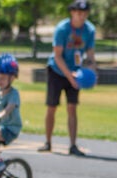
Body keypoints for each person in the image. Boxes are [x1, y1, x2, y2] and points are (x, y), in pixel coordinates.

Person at [40, 0, 96, 156]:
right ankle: (48, 142)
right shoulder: (62, 29)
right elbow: (57, 56)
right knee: (52, 106)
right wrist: (69, 76)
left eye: (84, 13)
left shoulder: (89, 30)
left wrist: (92, 71)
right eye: (78, 12)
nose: (82, 16)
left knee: (72, 107)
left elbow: (90, 54)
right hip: (57, 71)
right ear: (72, 12)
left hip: (76, 72)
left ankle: (73, 145)